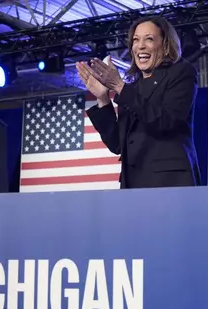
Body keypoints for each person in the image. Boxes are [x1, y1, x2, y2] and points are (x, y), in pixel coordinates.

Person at [76, 16, 200, 188]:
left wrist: (119, 86)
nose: (140, 46)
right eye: (136, 40)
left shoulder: (181, 73)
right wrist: (103, 98)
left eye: (149, 39)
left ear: (165, 45)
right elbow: (118, 145)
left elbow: (167, 121)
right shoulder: (133, 88)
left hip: (168, 184)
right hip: (133, 186)